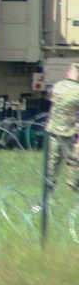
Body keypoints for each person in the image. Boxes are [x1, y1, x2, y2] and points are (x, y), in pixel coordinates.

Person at [44, 62, 79, 194]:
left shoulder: (58, 86)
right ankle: (73, 187)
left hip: (53, 128)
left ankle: (48, 187)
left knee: (52, 160)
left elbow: (51, 99)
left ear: (69, 73)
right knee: (73, 161)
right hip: (70, 131)